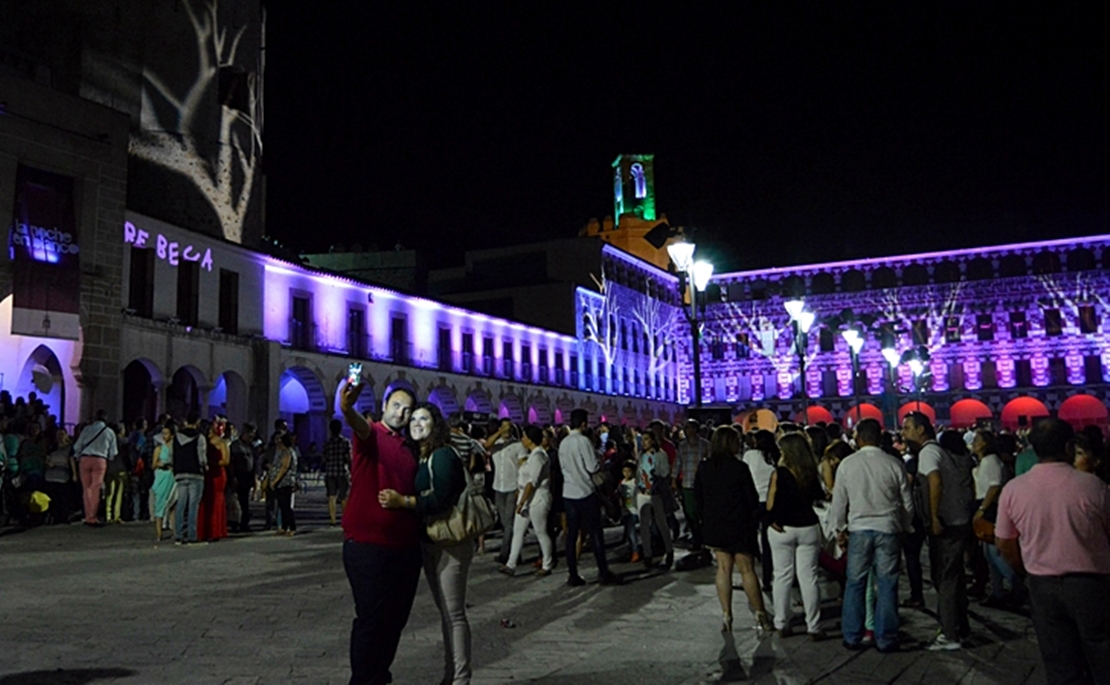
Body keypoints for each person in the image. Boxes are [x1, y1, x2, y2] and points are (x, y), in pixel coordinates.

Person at [995, 418, 1110, 685]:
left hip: (1042, 584)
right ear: (1069, 447)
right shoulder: (1093, 487)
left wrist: (1024, 571)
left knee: (1059, 661)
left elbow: (1004, 543)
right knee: (1102, 655)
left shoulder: (1014, 489)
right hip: (1090, 584)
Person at [379, 402, 473, 685]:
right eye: (414, 419)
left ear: (436, 424)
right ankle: (451, 674)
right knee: (446, 612)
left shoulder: (442, 455)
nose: (417, 423)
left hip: (449, 542)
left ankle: (460, 678)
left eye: (425, 418)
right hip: (431, 540)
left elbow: (441, 499)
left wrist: (403, 501)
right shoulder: (423, 456)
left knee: (454, 613)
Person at [339, 382, 421, 685]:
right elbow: (358, 424)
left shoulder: (409, 447)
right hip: (368, 546)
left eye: (408, 410)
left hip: (405, 547)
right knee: (371, 619)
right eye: (396, 405)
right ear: (385, 405)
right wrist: (347, 407)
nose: (401, 413)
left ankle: (379, 675)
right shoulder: (372, 435)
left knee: (395, 619)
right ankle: (362, 680)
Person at [830, 419, 914, 653]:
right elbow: (906, 502)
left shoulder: (848, 464)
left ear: (858, 438)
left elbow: (839, 501)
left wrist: (839, 528)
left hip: (859, 528)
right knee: (887, 583)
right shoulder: (893, 464)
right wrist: (906, 526)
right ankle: (886, 637)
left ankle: (852, 635)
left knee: (855, 582)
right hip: (888, 527)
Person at [903, 411, 974, 651]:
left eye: (907, 428)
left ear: (921, 430)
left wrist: (933, 516)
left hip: (947, 523)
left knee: (945, 578)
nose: (904, 433)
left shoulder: (929, 453)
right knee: (953, 577)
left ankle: (950, 633)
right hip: (956, 520)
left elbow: (934, 481)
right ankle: (960, 628)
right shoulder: (936, 451)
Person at [697, 425, 773, 634]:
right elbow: (751, 498)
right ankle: (760, 614)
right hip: (739, 524)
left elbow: (698, 498)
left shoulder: (704, 467)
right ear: (729, 443)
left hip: (715, 524)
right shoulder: (739, 467)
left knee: (723, 569)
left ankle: (727, 615)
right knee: (746, 570)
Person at [766, 433, 827, 639]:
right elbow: (819, 497)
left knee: (782, 575)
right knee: (809, 577)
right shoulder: (810, 472)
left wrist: (770, 518)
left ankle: (781, 622)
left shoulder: (779, 473)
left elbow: (770, 502)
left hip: (782, 528)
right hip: (808, 526)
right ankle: (814, 626)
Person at [559, 408, 619, 587]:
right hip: (585, 492)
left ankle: (573, 574)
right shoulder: (583, 441)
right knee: (595, 534)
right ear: (584, 423)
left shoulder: (564, 442)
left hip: (568, 492)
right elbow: (592, 467)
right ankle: (603, 571)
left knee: (571, 535)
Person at [501, 424, 555, 576]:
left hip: (537, 499)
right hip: (527, 498)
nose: (522, 439)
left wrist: (522, 501)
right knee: (518, 532)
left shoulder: (538, 457)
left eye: (524, 437)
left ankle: (547, 564)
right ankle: (511, 564)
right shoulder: (532, 455)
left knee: (540, 532)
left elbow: (533, 482)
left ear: (530, 440)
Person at [743, 429, 779, 592]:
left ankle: (749, 573)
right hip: (771, 500)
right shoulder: (776, 456)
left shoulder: (750, 456)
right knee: (767, 541)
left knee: (750, 538)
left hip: (753, 500)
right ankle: (767, 577)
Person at [72, 409, 119, 527]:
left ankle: (87, 515)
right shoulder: (109, 432)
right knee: (95, 488)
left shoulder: (87, 429)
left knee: (86, 488)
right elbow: (113, 452)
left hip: (85, 458)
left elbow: (77, 445)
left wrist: (78, 456)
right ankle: (92, 516)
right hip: (100, 460)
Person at [637, 431, 675, 569]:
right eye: (643, 440)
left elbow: (665, 473)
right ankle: (648, 554)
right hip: (643, 492)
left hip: (656, 493)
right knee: (644, 525)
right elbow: (638, 473)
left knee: (661, 523)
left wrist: (657, 478)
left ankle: (669, 549)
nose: (644, 442)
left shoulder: (661, 455)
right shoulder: (641, 456)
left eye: (646, 439)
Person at [488, 420, 524, 565]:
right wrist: (499, 432)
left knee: (509, 523)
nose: (506, 430)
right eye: (503, 427)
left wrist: (519, 487)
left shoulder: (519, 445)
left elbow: (522, 467)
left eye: (508, 427)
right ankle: (516, 553)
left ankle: (505, 554)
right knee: (504, 522)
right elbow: (486, 445)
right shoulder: (497, 444)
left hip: (512, 487)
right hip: (498, 486)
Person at [172, 413, 208, 545]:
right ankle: (192, 536)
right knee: (193, 505)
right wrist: (205, 466)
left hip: (180, 473)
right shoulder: (199, 437)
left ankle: (179, 535)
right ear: (197, 422)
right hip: (195, 473)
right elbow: (201, 457)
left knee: (181, 504)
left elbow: (172, 455)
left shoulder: (176, 437)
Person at [675, 419, 709, 549]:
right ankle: (696, 538)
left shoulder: (705, 445)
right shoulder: (682, 446)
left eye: (691, 428)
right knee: (689, 513)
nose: (689, 431)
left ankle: (703, 539)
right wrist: (674, 479)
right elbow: (678, 463)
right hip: (687, 483)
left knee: (701, 512)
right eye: (687, 428)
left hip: (702, 484)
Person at [198, 417, 230, 541]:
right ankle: (203, 530)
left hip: (217, 474)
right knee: (204, 501)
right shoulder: (202, 442)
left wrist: (211, 463)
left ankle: (215, 530)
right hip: (205, 474)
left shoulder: (221, 442)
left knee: (216, 500)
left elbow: (226, 461)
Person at [150, 421, 177, 542]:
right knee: (159, 505)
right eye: (163, 433)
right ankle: (159, 533)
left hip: (172, 476)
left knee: (173, 504)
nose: (164, 436)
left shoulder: (176, 448)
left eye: (166, 433)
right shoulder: (159, 448)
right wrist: (160, 464)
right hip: (162, 476)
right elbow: (153, 465)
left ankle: (175, 531)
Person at [229, 422, 258, 533]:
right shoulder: (236, 446)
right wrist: (233, 477)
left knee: (245, 502)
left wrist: (255, 477)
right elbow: (232, 463)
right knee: (236, 502)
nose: (251, 437)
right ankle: (235, 522)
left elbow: (254, 462)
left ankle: (244, 523)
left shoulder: (251, 446)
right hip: (238, 476)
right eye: (250, 435)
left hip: (247, 477)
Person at [323, 419, 352, 526]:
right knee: (343, 497)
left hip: (330, 472)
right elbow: (349, 458)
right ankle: (345, 518)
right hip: (342, 471)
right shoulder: (346, 442)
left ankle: (333, 519)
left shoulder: (327, 443)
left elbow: (324, 458)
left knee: (331, 496)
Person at [269, 433, 298, 536]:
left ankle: (292, 527)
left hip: (285, 482)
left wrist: (275, 480)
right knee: (282, 505)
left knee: (286, 506)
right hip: (281, 483)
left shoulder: (288, 452)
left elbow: (284, 467)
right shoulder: (282, 451)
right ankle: (284, 527)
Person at [618, 461, 641, 562]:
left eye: (629, 471)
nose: (626, 473)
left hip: (634, 510)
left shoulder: (635, 482)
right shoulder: (621, 483)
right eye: (624, 471)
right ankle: (633, 549)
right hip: (625, 510)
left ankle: (635, 551)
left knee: (632, 532)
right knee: (629, 531)